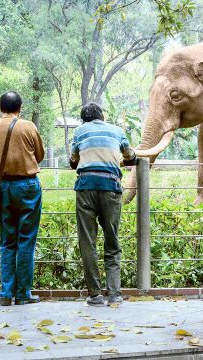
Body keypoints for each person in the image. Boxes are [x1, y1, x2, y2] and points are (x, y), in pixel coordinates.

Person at [0, 91, 45, 306]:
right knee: (26, 240)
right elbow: (39, 155)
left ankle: (5, 293)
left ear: (0, 107)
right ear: (20, 107)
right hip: (28, 187)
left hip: (2, 187)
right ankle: (23, 294)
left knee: (7, 241)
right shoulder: (28, 126)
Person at [70, 102, 137, 307]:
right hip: (110, 187)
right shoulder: (117, 131)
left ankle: (95, 295)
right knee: (112, 239)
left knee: (87, 241)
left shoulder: (79, 132)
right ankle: (115, 293)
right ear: (102, 117)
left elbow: (73, 161)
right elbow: (130, 156)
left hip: (86, 188)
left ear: (84, 120)